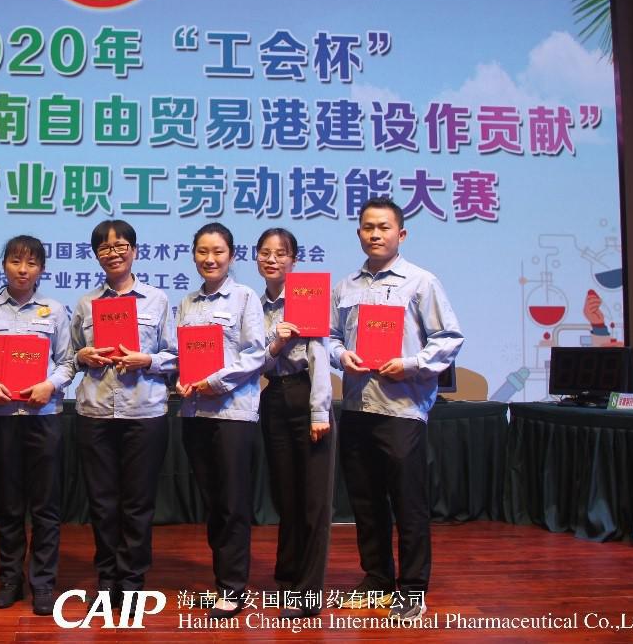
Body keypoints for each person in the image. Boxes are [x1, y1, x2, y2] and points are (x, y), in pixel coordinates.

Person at [328, 197, 464, 622]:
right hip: (357, 406)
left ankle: (412, 587)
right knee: (365, 501)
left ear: (401, 234)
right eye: (368, 227)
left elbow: (449, 338)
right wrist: (341, 356)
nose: (375, 234)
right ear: (358, 234)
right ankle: (377, 579)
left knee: (408, 503)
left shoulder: (421, 282)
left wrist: (411, 364)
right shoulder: (345, 286)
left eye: (384, 227)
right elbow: (329, 337)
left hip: (401, 408)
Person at [66, 219, 176, 610]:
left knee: (137, 503)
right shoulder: (85, 303)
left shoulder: (157, 300)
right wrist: (82, 355)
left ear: (134, 251)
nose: (113, 253)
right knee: (102, 502)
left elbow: (175, 355)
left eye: (121, 246)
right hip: (95, 412)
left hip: (144, 412)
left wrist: (148, 359)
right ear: (96, 255)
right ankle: (107, 577)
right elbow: (69, 357)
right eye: (105, 247)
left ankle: (131, 580)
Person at [0, 235, 73, 616]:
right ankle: (10, 580)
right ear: (4, 265)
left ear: (42, 269)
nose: (23, 270)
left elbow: (67, 362)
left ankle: (43, 582)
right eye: (15, 261)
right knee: (9, 505)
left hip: (43, 417)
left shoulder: (55, 311)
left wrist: (50, 385)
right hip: (2, 418)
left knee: (45, 506)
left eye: (31, 263)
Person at [174, 222, 266, 619]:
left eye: (218, 252)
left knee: (232, 503)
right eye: (202, 251)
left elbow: (255, 354)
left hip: (232, 413)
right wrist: (180, 378)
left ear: (232, 255)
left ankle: (233, 586)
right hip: (195, 413)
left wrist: (214, 381)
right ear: (193, 254)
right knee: (213, 503)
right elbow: (181, 355)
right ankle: (222, 580)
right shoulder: (187, 303)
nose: (209, 259)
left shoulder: (245, 298)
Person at [255, 227, 335, 619]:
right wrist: (274, 343)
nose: (272, 259)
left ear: (294, 260)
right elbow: (256, 363)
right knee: (285, 495)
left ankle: (308, 592)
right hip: (274, 396)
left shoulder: (307, 296)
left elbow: (319, 355)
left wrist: (319, 411)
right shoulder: (254, 306)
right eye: (265, 253)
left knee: (313, 501)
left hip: (307, 396)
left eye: (281, 253)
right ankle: (288, 575)